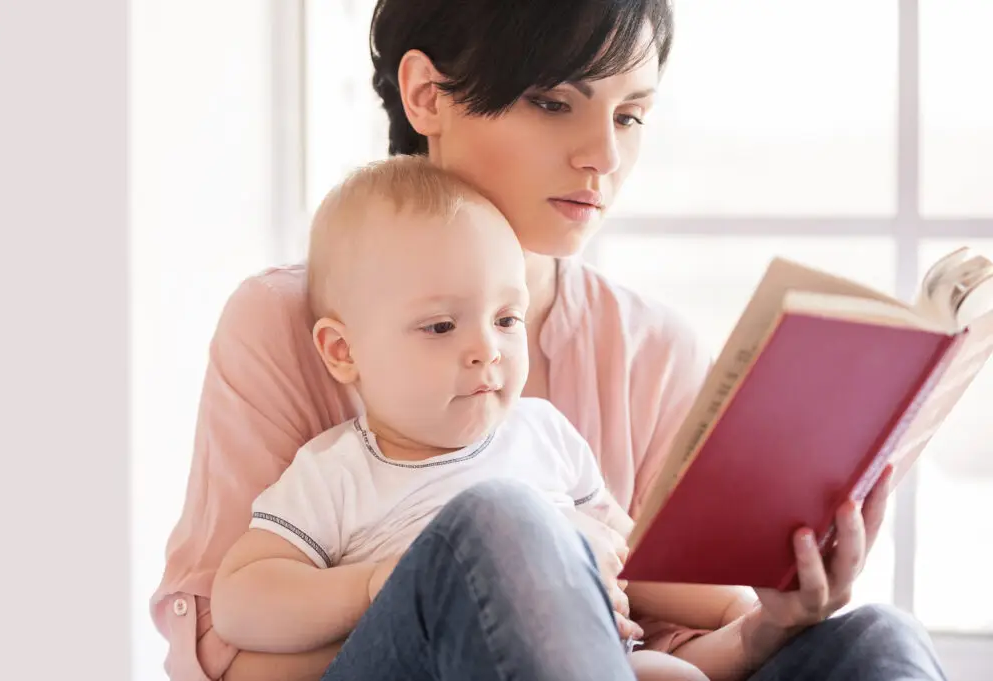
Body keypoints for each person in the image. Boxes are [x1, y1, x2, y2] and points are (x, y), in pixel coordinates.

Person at [151, 1, 948, 680]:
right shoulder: (286, 323)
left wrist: (774, 615)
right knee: (504, 523)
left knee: (879, 639)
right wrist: (453, 589)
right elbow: (228, 651)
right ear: (427, 94)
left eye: (630, 115)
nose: (603, 156)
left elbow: (671, 637)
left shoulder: (650, 348)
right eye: (555, 102)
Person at [210, 154, 726, 680]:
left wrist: (744, 608)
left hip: (582, 658)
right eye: (440, 326)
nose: (487, 349)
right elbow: (239, 599)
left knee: (676, 674)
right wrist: (373, 585)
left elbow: (632, 555)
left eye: (506, 319)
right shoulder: (338, 471)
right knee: (501, 516)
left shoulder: (543, 433)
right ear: (343, 351)